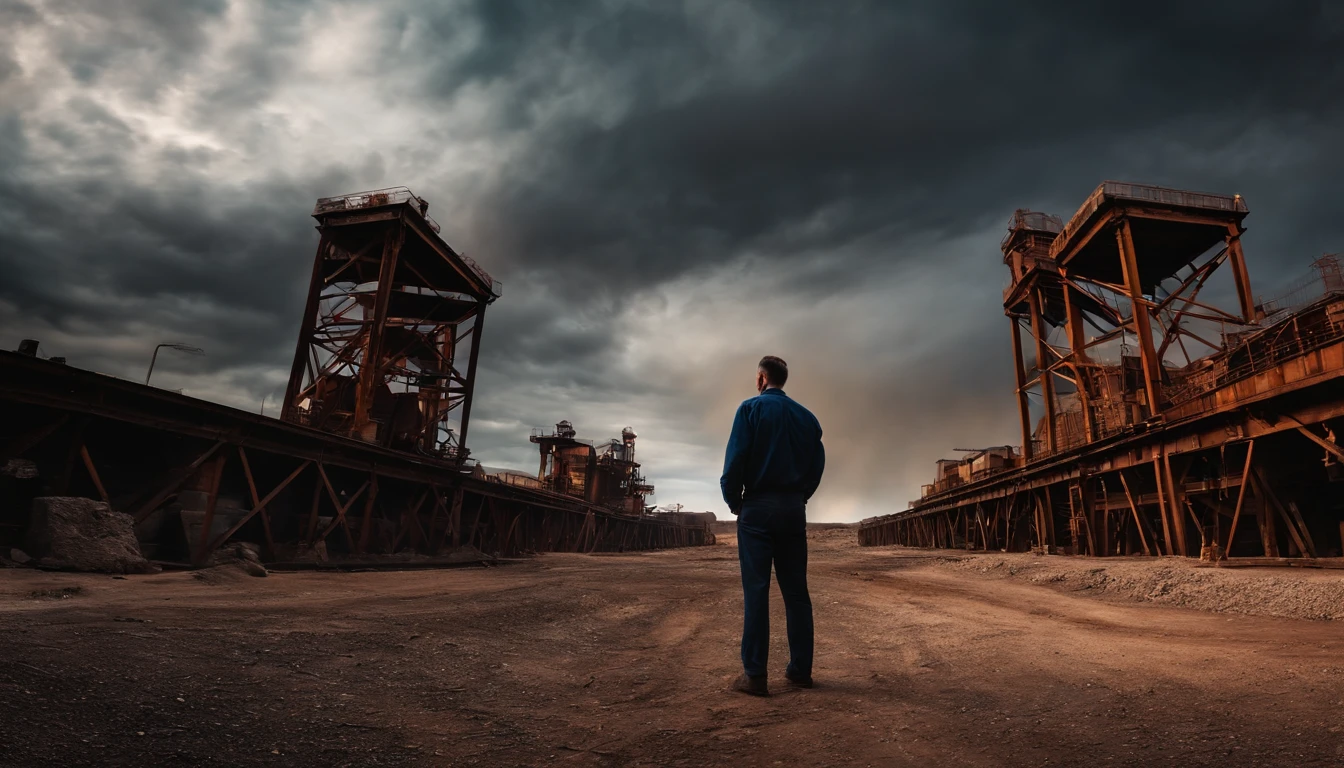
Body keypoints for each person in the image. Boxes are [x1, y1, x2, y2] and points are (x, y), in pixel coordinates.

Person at [720, 355, 825, 696]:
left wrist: (736, 502)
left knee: (757, 590)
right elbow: (817, 466)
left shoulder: (750, 410)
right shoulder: (807, 419)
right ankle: (800, 672)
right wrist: (800, 498)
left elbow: (735, 460)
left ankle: (755, 676)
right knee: (797, 593)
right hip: (793, 510)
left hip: (758, 509)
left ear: (762, 378)